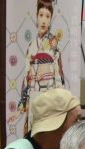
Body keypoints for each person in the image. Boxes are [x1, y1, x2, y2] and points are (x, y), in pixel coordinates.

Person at [15, 0, 64, 135]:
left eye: (47, 16)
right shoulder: (31, 46)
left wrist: (59, 99)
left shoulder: (54, 44)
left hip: (49, 94)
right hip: (33, 95)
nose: (43, 20)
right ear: (36, 16)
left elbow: (58, 75)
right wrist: (23, 103)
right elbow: (27, 76)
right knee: (32, 135)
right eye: (41, 15)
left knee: (47, 136)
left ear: (51, 19)